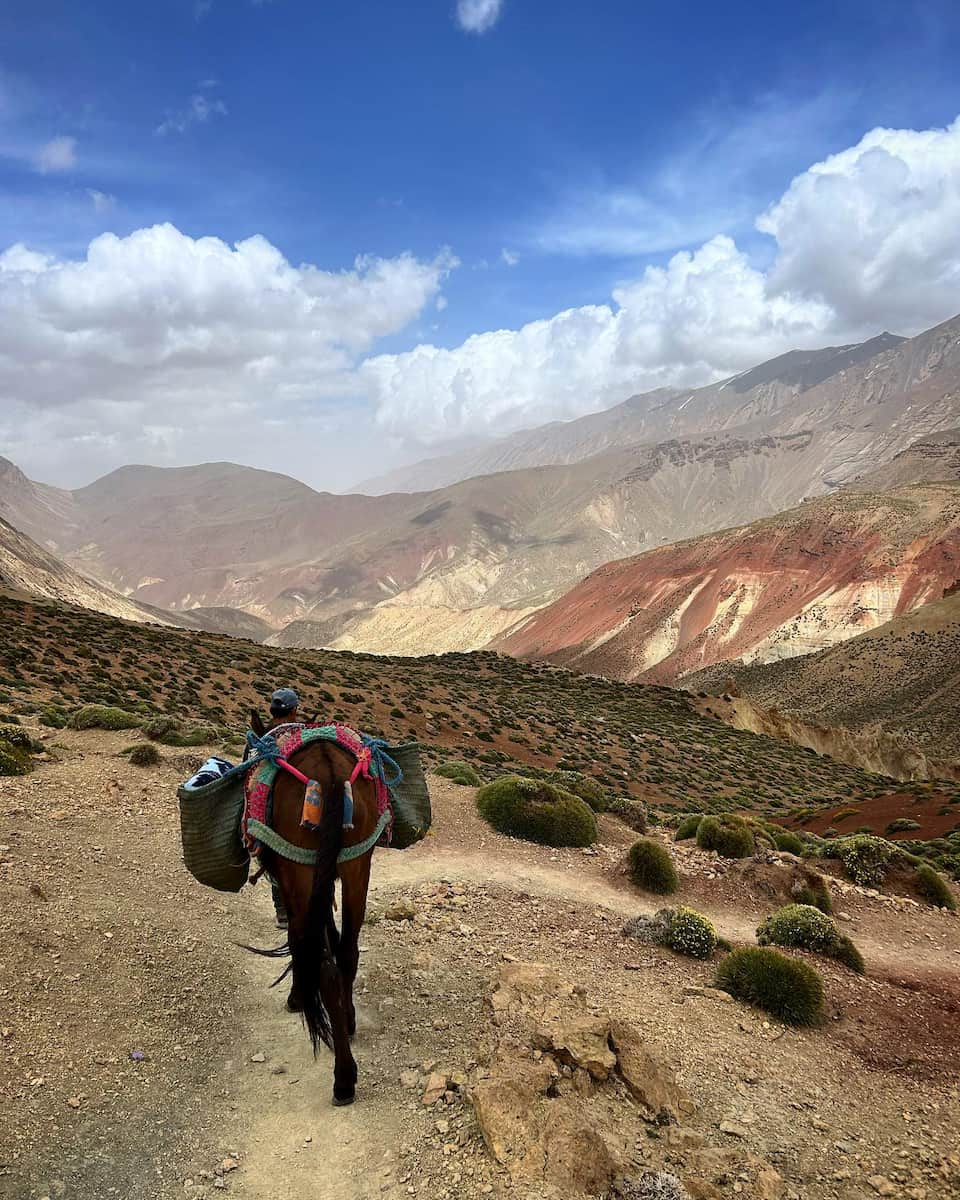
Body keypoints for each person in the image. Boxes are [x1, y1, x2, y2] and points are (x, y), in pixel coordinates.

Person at [266, 687, 301, 929]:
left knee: (273, 853)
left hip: (270, 808)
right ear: (295, 710)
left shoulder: (262, 739)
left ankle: (282, 912)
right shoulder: (303, 735)